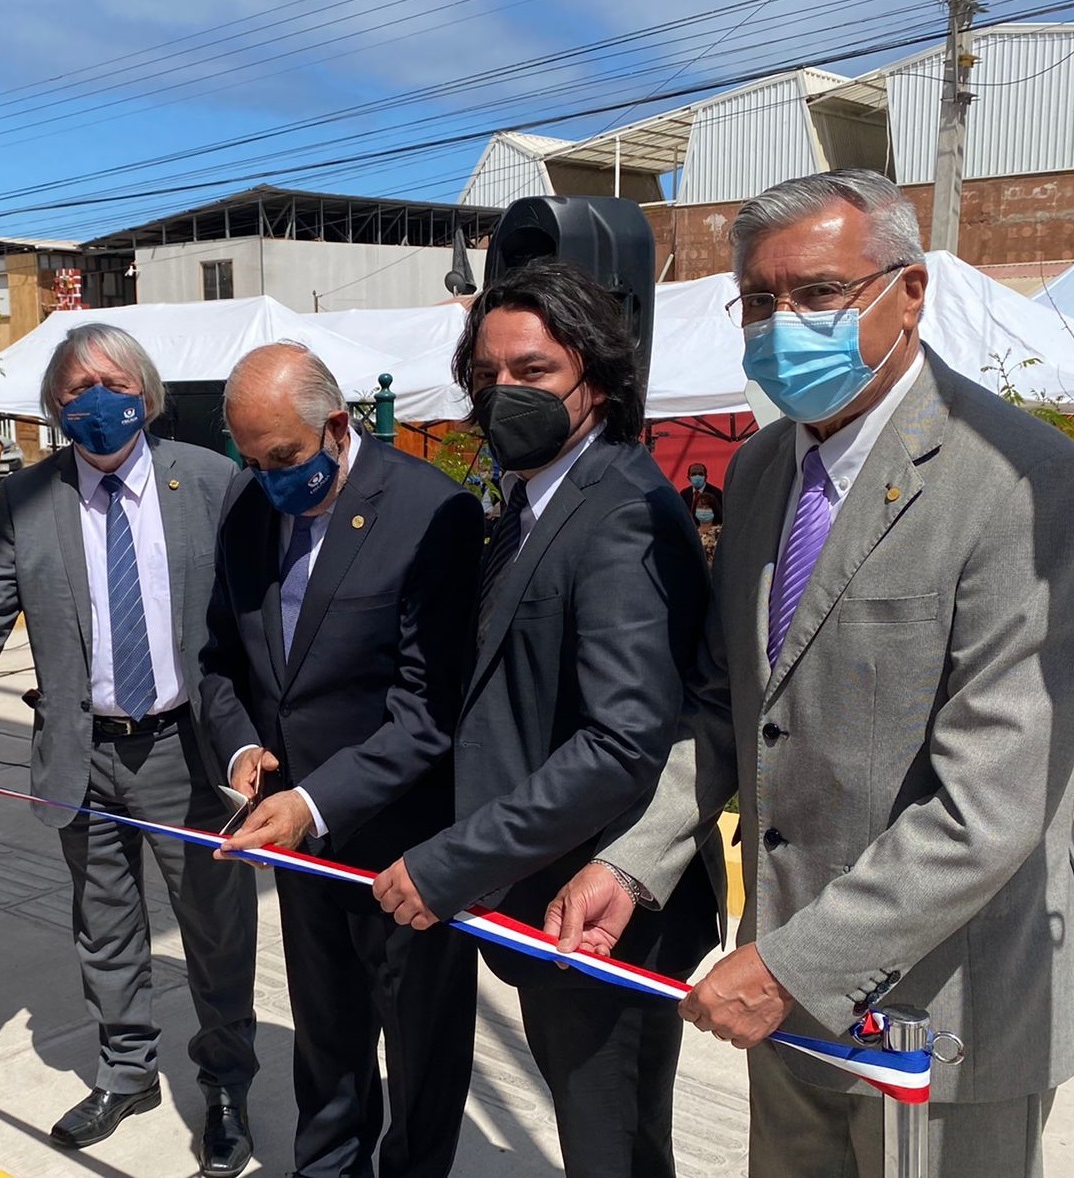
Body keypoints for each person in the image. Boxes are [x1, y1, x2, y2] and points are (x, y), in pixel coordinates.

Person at [548, 169, 1074, 1178]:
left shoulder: (1021, 478)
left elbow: (991, 801)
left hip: (943, 1009)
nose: (781, 322)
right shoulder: (761, 470)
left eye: (818, 292)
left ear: (910, 291)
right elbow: (726, 706)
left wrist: (795, 964)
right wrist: (633, 860)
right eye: (759, 299)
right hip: (783, 988)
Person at [371, 259, 724, 1177]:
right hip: (542, 896)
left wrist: (456, 861)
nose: (502, 397)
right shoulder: (532, 505)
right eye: (487, 379)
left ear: (596, 381)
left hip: (601, 907)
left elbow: (619, 743)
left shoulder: (618, 512)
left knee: (612, 1148)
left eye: (532, 374)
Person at [0, 323, 259, 1177]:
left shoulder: (211, 481)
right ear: (56, 410)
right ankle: (127, 1070)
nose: (94, 400)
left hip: (186, 753)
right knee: (104, 927)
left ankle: (227, 1084)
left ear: (146, 391)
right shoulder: (29, 500)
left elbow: (257, 615)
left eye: (110, 382)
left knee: (215, 928)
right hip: (80, 754)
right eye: (73, 390)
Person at [202, 342, 482, 1178]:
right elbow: (220, 661)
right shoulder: (249, 513)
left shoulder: (432, 512)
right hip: (297, 845)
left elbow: (429, 711)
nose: (268, 477)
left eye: (282, 458)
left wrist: (315, 802)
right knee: (326, 1042)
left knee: (422, 1055)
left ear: (336, 425)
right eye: (250, 461)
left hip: (405, 843)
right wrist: (244, 744)